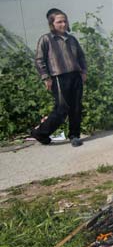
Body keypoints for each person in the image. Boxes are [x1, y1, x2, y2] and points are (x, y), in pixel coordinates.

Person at [31, 8, 87, 147]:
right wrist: (46, 77)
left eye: (65, 21)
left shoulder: (72, 39)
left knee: (76, 108)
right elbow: (39, 60)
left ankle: (74, 136)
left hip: (75, 77)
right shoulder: (46, 39)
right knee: (62, 109)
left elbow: (81, 57)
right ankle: (41, 133)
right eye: (59, 22)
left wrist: (83, 72)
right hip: (58, 78)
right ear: (52, 24)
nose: (63, 24)